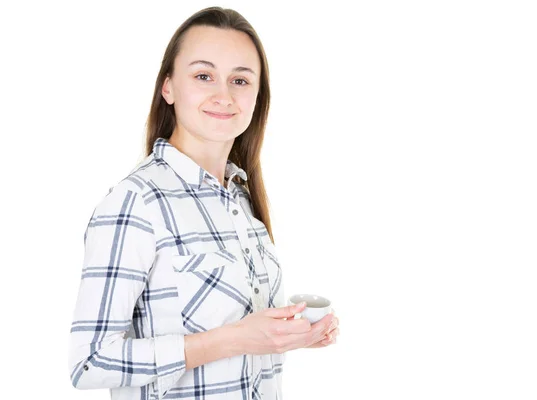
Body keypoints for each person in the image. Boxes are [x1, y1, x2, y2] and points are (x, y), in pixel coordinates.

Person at [68, 7, 339, 399]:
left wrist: (290, 335)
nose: (224, 95)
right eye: (203, 75)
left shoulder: (241, 200)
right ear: (168, 88)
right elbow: (89, 362)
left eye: (241, 80)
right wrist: (235, 340)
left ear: (258, 95)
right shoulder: (136, 202)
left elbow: (245, 344)